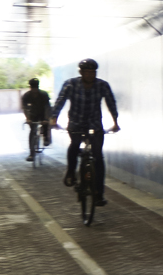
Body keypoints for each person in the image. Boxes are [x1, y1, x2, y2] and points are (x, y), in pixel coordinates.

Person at [52, 59, 121, 204]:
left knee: (98, 157)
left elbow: (111, 102)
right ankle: (71, 172)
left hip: (94, 123)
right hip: (76, 122)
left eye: (93, 72)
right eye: (87, 72)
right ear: (81, 73)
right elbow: (60, 101)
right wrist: (54, 119)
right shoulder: (70, 84)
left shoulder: (102, 85)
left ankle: (98, 194)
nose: (90, 75)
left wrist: (115, 122)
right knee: (75, 143)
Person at [20, 77, 52, 159]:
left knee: (45, 125)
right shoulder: (26, 95)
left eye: (36, 88)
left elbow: (47, 107)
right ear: (30, 87)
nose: (34, 90)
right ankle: (31, 154)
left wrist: (46, 118)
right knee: (32, 131)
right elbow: (24, 107)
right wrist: (28, 118)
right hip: (33, 114)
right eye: (32, 87)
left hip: (43, 113)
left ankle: (46, 138)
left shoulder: (44, 94)